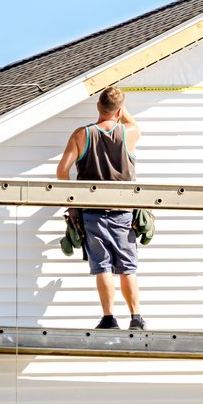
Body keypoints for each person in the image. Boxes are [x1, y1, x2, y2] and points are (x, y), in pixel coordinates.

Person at [56, 86, 145, 331]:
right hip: (123, 210)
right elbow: (130, 121)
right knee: (127, 266)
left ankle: (108, 318)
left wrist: (73, 202)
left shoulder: (81, 135)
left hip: (92, 211)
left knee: (102, 265)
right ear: (119, 111)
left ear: (98, 107)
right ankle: (136, 318)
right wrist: (120, 108)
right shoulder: (130, 133)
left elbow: (62, 171)